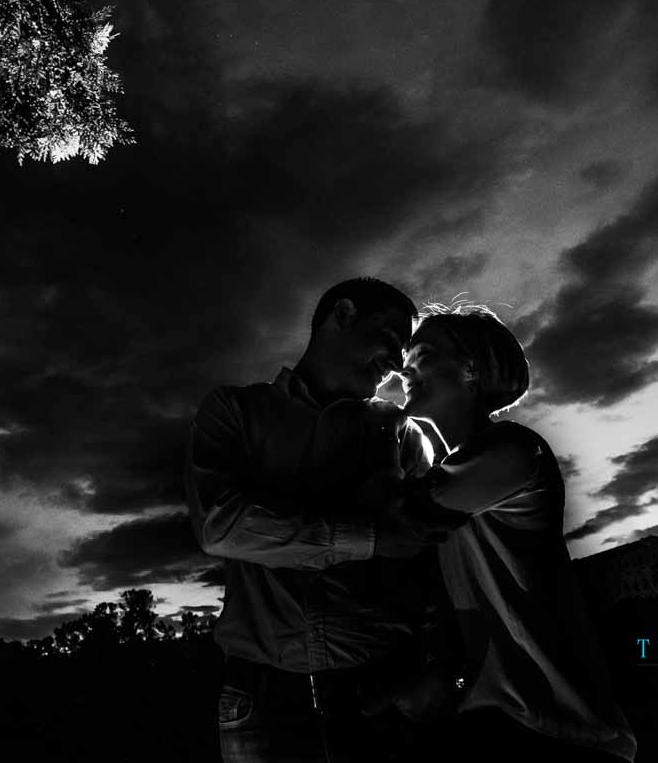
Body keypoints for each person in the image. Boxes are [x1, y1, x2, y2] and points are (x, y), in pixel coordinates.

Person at [184, 277, 461, 763]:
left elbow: (438, 557)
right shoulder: (234, 412)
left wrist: (440, 665)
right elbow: (220, 526)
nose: (398, 363)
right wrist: (370, 538)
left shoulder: (401, 431)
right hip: (264, 702)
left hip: (386, 687)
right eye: (393, 338)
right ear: (343, 314)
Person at [360, 301, 637, 762]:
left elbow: (392, 517)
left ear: (468, 370)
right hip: (497, 721)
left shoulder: (511, 450)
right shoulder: (451, 469)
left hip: (562, 728)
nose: (404, 370)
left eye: (422, 354)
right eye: (405, 360)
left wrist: (378, 431)